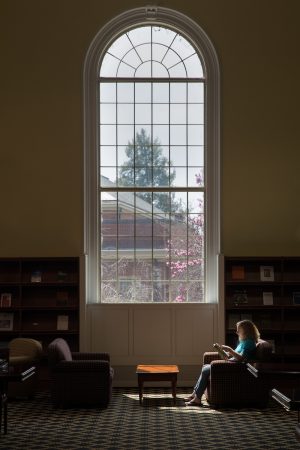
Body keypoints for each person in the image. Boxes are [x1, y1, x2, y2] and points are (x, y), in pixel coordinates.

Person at [184, 320, 260, 406]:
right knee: (205, 367)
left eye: (239, 329)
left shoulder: (249, 342)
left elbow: (241, 358)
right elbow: (236, 355)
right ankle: (195, 395)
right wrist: (223, 352)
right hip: (234, 363)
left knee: (206, 369)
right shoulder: (244, 342)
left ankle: (197, 398)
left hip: (239, 367)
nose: (237, 332)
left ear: (246, 330)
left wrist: (229, 350)